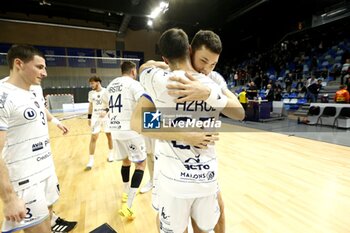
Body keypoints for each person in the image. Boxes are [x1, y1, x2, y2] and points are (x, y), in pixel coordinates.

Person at [131, 28, 244, 233]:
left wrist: (207, 93)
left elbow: (140, 118)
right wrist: (186, 132)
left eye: (213, 64)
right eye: (203, 61)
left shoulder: (159, 80)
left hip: (189, 176)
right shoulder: (212, 83)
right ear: (189, 50)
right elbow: (238, 112)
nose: (207, 69)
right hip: (188, 174)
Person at [0, 44, 76, 233]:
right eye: (39, 67)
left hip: (45, 169)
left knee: (48, 218)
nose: (45, 73)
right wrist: (8, 199)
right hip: (25, 180)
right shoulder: (4, 96)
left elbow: (40, 109)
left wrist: (56, 121)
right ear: (18, 64)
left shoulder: (34, 90)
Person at [102, 61, 148, 220]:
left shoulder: (111, 85)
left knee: (126, 161)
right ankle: (128, 205)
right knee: (141, 164)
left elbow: (105, 102)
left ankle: (125, 192)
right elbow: (146, 101)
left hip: (115, 130)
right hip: (130, 130)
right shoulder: (133, 84)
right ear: (133, 71)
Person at [86, 76, 114, 170]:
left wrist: (105, 111)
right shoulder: (91, 93)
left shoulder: (106, 91)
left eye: (92, 83)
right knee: (93, 137)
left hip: (106, 117)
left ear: (98, 82)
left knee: (109, 135)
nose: (91, 85)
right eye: (90, 83)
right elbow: (90, 106)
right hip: (95, 118)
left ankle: (111, 154)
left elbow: (111, 104)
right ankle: (91, 160)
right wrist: (89, 118)